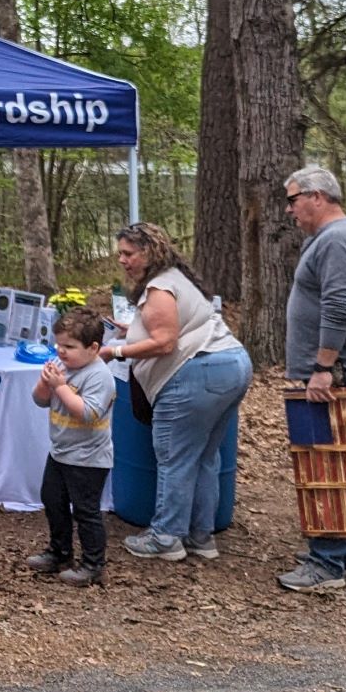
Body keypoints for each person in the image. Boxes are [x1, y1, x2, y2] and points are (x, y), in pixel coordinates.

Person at [101, 222, 252, 562]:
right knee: (205, 457)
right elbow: (171, 326)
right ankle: (202, 537)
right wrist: (134, 329)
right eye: (120, 254)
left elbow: (166, 342)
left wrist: (117, 351)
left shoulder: (159, 287)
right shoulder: (178, 279)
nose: (122, 260)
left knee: (175, 458)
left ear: (149, 252)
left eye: (128, 253)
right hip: (231, 365)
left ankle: (166, 537)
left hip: (197, 374)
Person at [277, 165, 346, 593]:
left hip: (338, 374)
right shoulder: (329, 239)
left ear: (317, 196)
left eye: (292, 199)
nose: (289, 209)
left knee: (327, 462)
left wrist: (322, 368)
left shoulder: (338, 240)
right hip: (337, 370)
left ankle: (327, 565)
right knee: (340, 462)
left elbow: (338, 307)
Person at [27, 307, 115, 587]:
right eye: (58, 344)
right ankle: (59, 551)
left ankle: (93, 564)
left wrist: (61, 387)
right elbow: (40, 401)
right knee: (52, 500)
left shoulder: (99, 376)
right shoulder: (62, 367)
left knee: (85, 511)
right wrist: (45, 383)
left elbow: (87, 413)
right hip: (61, 452)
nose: (61, 351)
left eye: (69, 346)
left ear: (93, 348)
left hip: (89, 459)